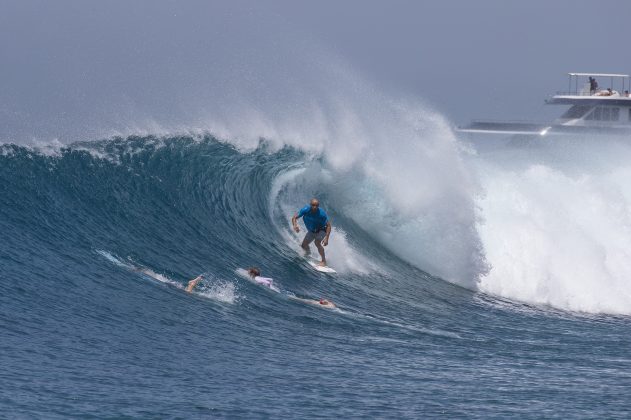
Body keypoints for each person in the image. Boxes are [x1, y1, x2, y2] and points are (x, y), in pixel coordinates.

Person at [291, 198, 332, 266]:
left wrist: (326, 238)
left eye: (316, 205)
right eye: (313, 205)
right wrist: (295, 225)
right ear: (310, 205)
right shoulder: (305, 210)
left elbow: (329, 226)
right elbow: (294, 217)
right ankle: (308, 253)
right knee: (303, 245)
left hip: (322, 229)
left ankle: (323, 261)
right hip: (312, 231)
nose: (315, 207)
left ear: (318, 206)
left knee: (317, 242)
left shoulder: (322, 214)